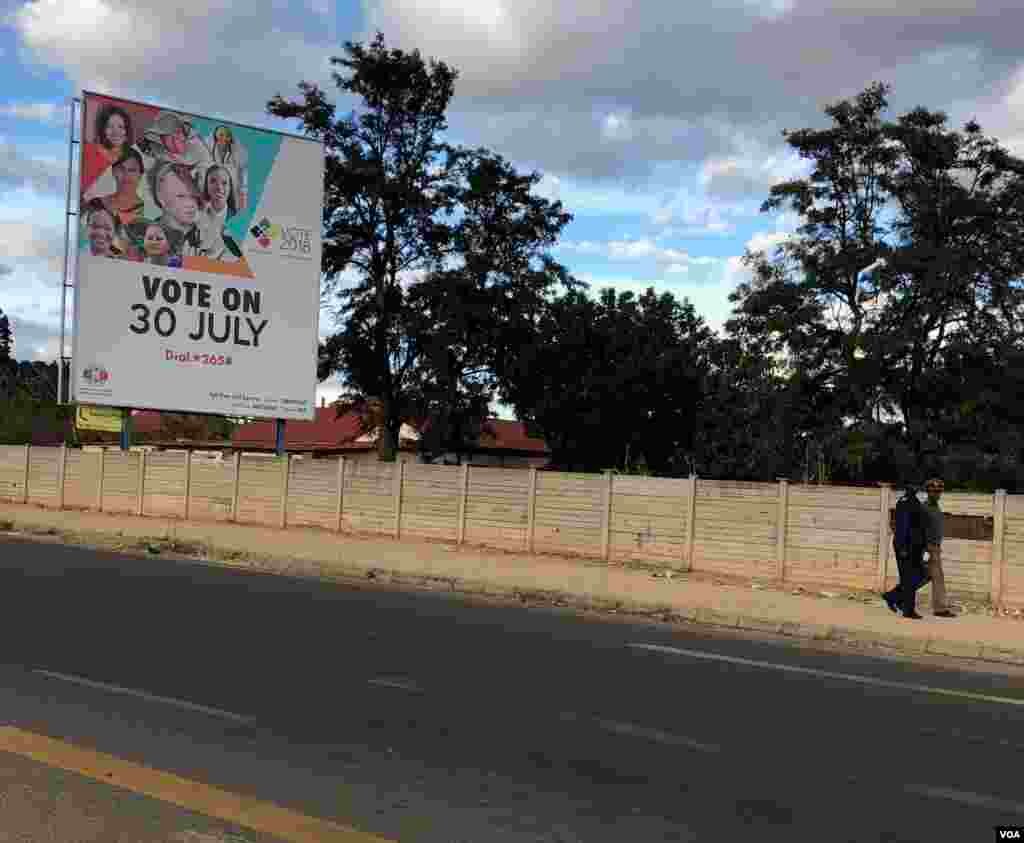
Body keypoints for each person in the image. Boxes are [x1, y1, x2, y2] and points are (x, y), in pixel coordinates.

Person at [138, 111, 211, 219]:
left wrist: (187, 180)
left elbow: (205, 193)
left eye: (178, 132)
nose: (176, 138)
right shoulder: (156, 150)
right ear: (161, 139)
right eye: (169, 135)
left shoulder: (199, 150)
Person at [883, 481, 929, 619]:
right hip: (906, 546)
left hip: (914, 546)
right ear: (909, 487)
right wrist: (903, 547)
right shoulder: (905, 502)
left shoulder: (913, 500)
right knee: (910, 577)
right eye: (914, 485)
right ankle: (908, 609)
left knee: (920, 575)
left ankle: (893, 597)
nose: (917, 487)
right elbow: (902, 526)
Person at [148, 162, 203, 257]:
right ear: (161, 197)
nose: (191, 203)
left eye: (194, 196)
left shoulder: (209, 236)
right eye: (181, 196)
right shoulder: (143, 236)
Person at [924, 477, 956, 617]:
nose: (936, 494)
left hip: (935, 547)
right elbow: (920, 529)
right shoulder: (924, 508)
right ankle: (940, 608)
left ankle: (897, 597)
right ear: (928, 492)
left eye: (938, 491)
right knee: (937, 577)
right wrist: (925, 549)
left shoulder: (936, 507)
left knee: (921, 576)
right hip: (928, 548)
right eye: (933, 491)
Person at [197, 164, 242, 261]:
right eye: (213, 181)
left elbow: (239, 255)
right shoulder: (197, 216)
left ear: (230, 188)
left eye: (224, 183)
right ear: (206, 186)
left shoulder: (238, 220)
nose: (219, 187)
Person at [98, 147, 145, 226]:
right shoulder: (97, 203)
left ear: (140, 175)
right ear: (113, 171)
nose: (126, 175)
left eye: (132, 170)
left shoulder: (148, 212)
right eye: (121, 169)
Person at [208, 125, 249, 210]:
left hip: (232, 187)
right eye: (220, 135)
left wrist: (243, 193)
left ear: (229, 138)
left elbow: (243, 172)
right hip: (214, 186)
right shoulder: (209, 147)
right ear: (216, 136)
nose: (222, 138)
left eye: (226, 136)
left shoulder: (238, 151)